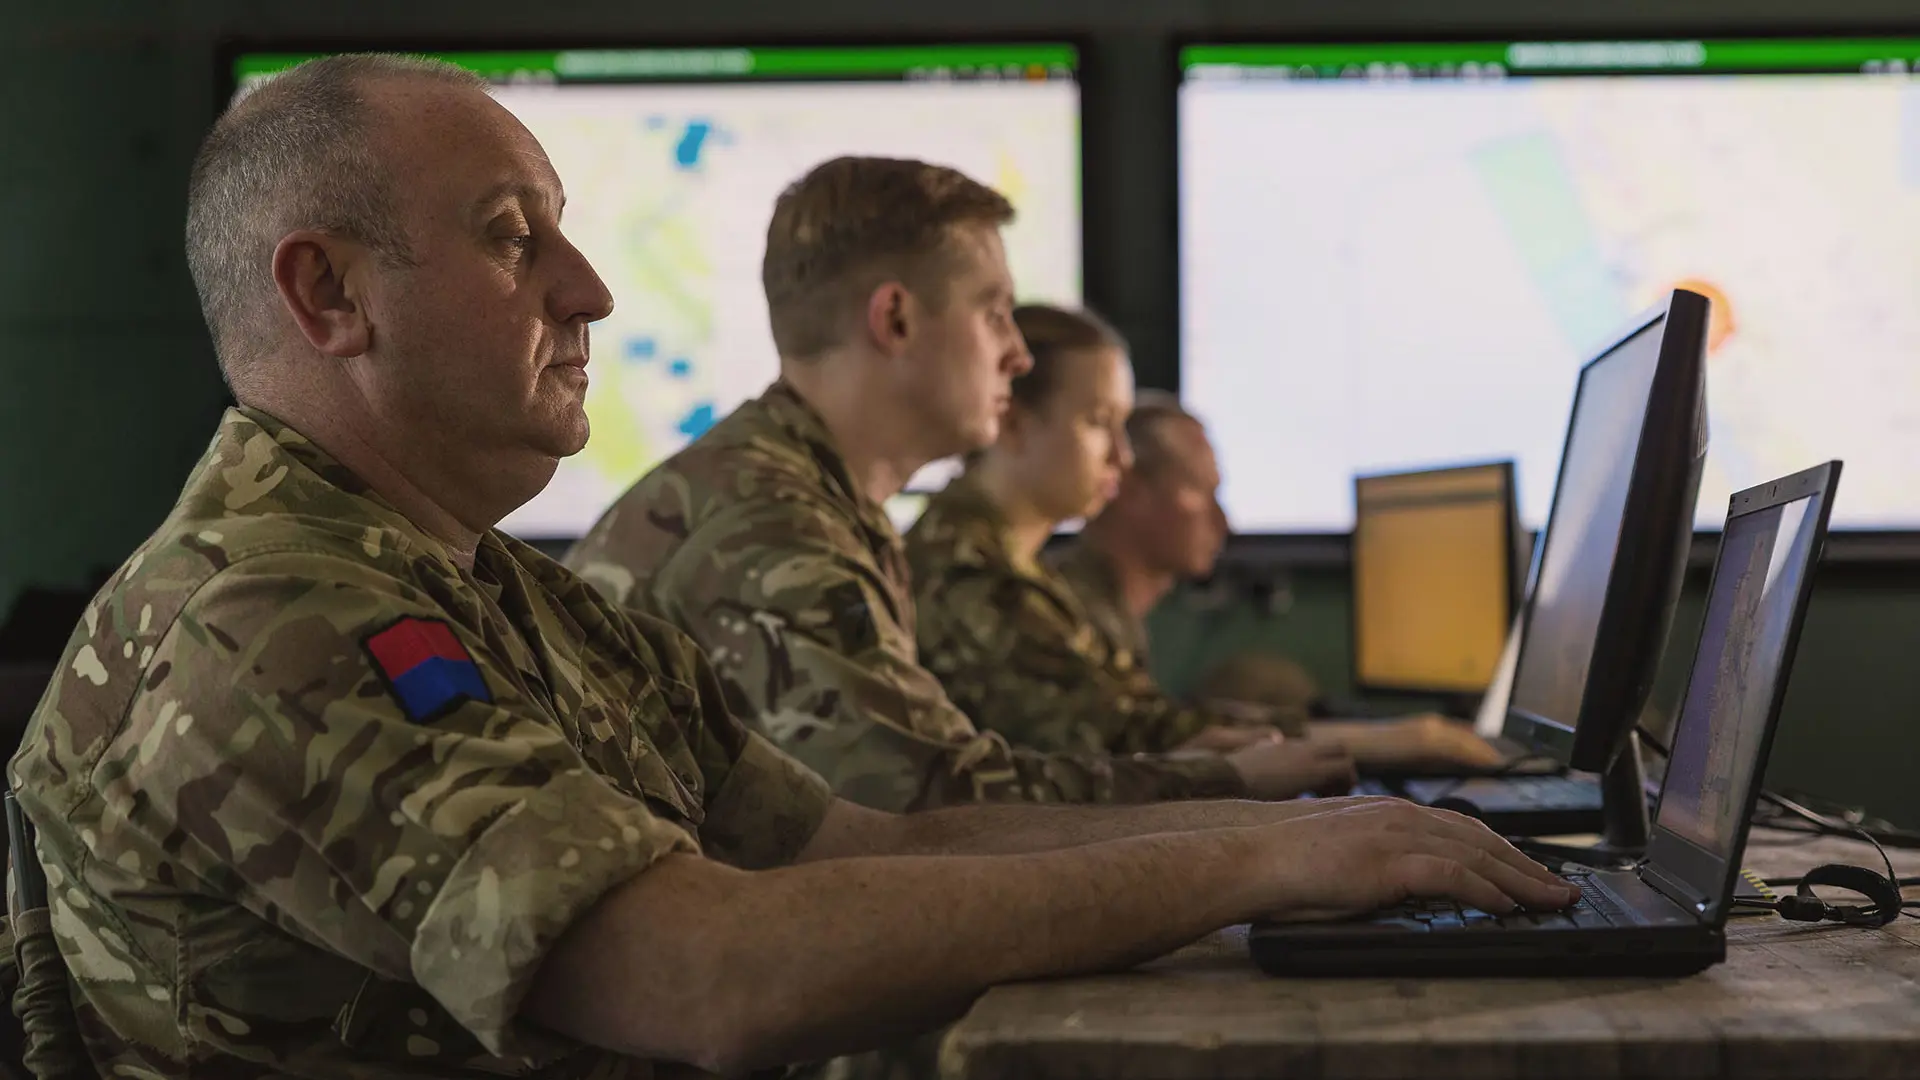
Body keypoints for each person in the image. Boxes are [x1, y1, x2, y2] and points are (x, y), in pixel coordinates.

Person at [4, 55, 1575, 1079]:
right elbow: (702, 980)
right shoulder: (265, 615)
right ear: (329, 296)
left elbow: (858, 843)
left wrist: (1328, 833)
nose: (594, 288)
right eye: (510, 238)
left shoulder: (492, 589)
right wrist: (1257, 862)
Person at [565, 156, 1357, 810]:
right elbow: (934, 807)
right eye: (994, 313)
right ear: (897, 320)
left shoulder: (810, 496)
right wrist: (1227, 785)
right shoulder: (769, 526)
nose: (1017, 354)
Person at [905, 304, 1300, 760]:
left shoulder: (1014, 562)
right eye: (1097, 421)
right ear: (1012, 421)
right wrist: (1361, 743)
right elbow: (1116, 741)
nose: (1123, 456)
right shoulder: (970, 576)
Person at [1058, 394, 1508, 772]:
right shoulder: (1066, 614)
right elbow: (1144, 738)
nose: (1224, 522)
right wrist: (1404, 739)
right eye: (1201, 492)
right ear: (1130, 488)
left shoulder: (1104, 610)